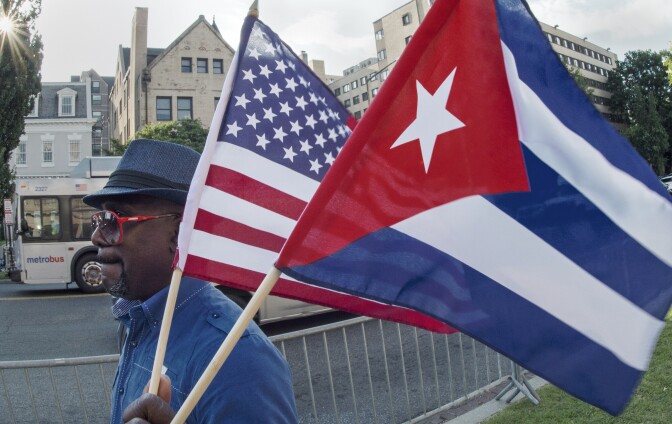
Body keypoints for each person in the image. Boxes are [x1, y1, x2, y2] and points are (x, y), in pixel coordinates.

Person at [83, 139, 298, 423]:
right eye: (100, 220)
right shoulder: (137, 321)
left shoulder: (237, 358)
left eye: (114, 219)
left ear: (179, 234)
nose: (97, 237)